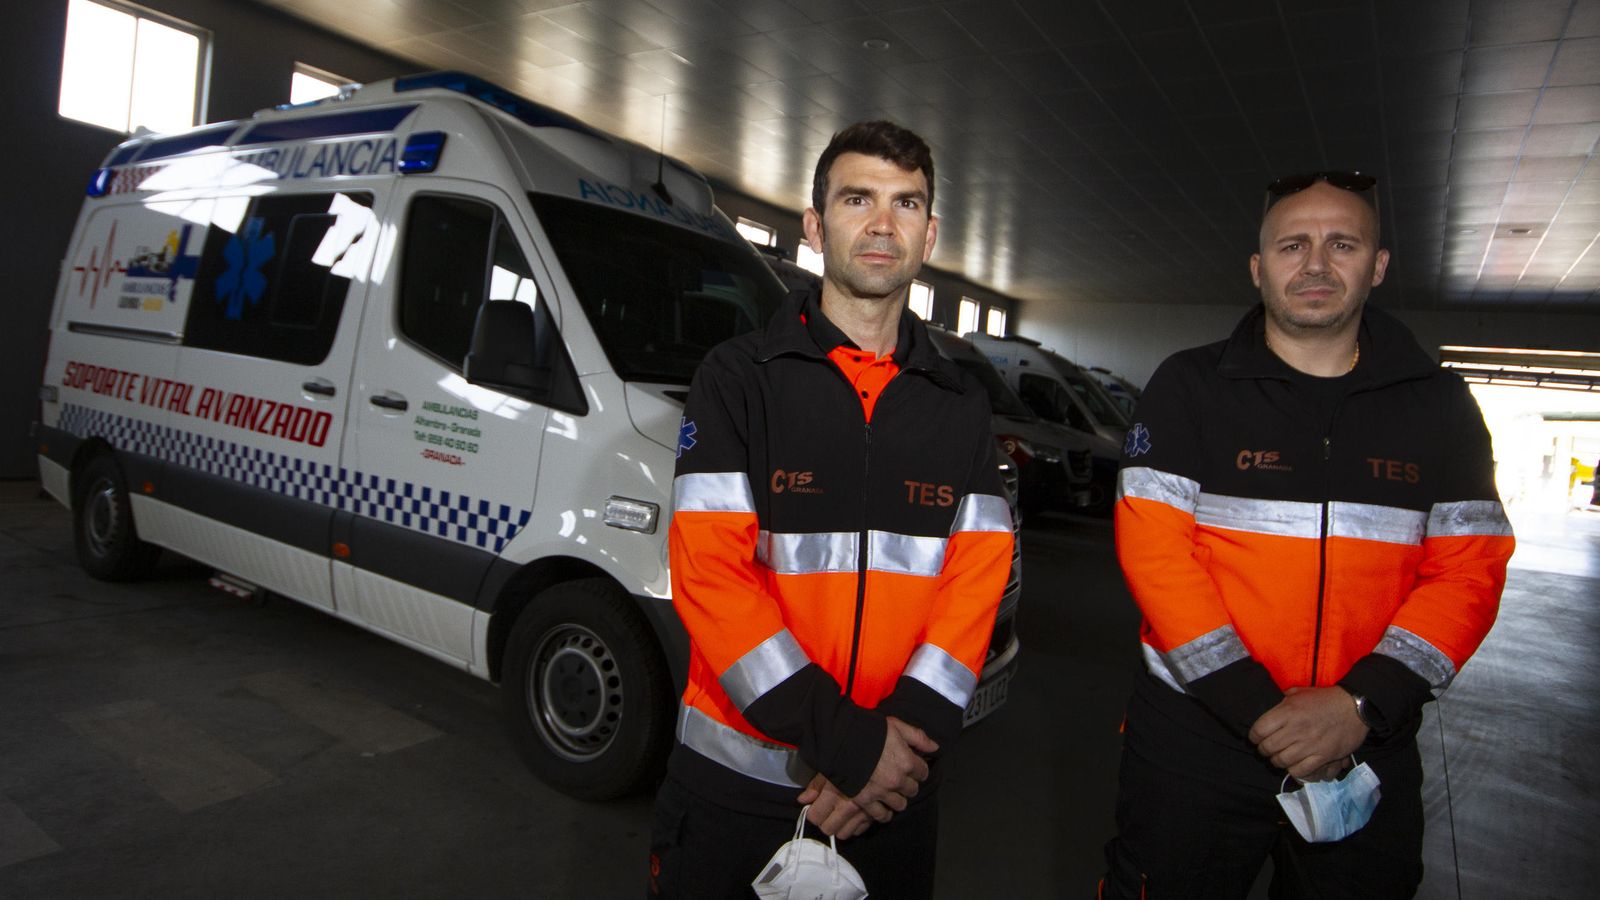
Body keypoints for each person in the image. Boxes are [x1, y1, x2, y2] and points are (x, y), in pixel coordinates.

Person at [1100, 171, 1515, 899]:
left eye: (1342, 244)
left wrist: (1360, 704)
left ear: (1377, 266)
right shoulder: (1190, 388)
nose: (1316, 264)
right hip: (1198, 739)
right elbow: (1156, 556)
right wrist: (1262, 711)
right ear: (1258, 268)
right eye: (1292, 245)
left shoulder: (1440, 406)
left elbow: (1468, 572)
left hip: (1365, 744)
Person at [646, 121, 1015, 899]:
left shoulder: (959, 406)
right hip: (739, 790)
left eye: (905, 203)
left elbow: (976, 583)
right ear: (815, 228)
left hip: (893, 796)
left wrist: (900, 741)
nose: (882, 224)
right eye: (857, 199)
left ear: (929, 234)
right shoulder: (738, 380)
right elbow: (710, 576)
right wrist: (849, 743)